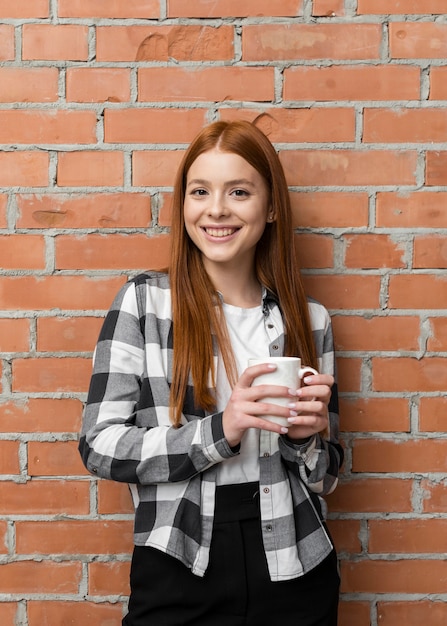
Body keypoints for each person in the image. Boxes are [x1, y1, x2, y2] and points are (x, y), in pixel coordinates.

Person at [79, 119, 343, 626]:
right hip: (180, 556)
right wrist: (221, 430)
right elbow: (98, 445)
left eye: (238, 191)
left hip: (295, 561)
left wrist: (307, 439)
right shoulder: (144, 304)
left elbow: (327, 475)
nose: (216, 208)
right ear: (184, 205)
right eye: (200, 191)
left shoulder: (310, 321)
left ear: (269, 208)